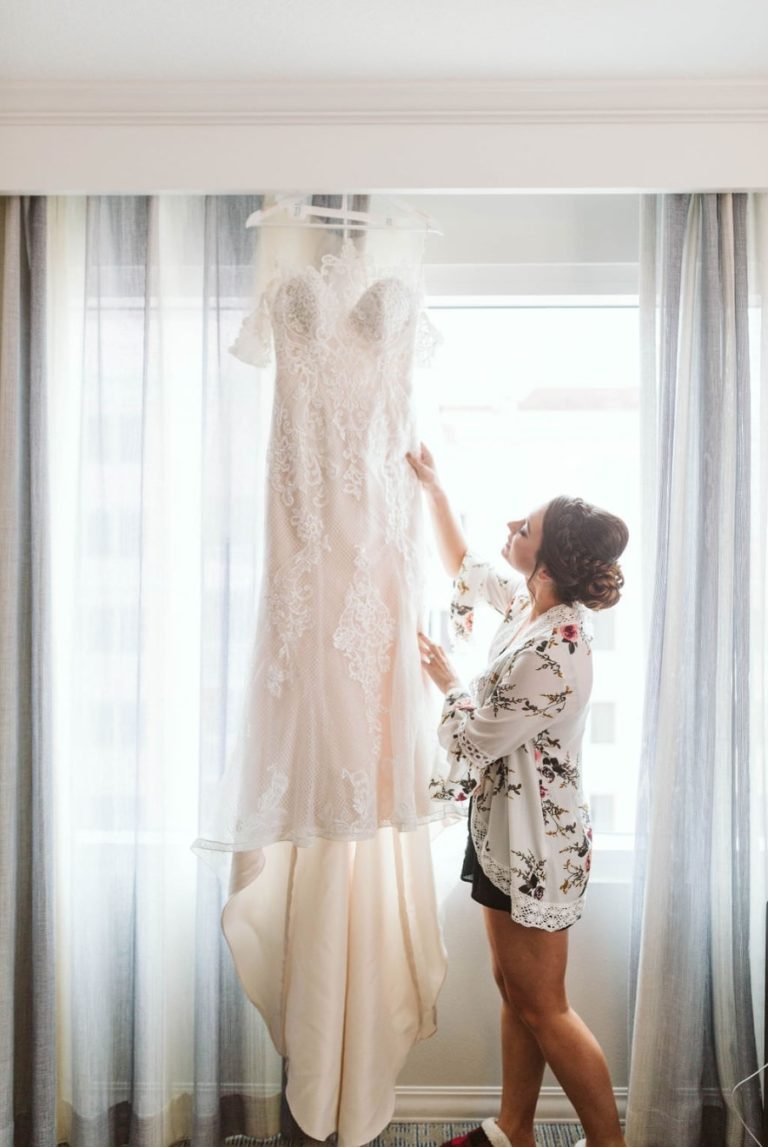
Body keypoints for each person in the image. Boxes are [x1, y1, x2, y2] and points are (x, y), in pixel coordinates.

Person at [406, 443, 630, 1147]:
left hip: (537, 848)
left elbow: (475, 738)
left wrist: (447, 680)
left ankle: (610, 1143)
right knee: (515, 990)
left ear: (546, 561)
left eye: (524, 527)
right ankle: (514, 1128)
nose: (512, 525)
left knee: (547, 1007)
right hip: (504, 836)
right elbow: (466, 566)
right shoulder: (530, 608)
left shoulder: (556, 648)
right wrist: (436, 489)